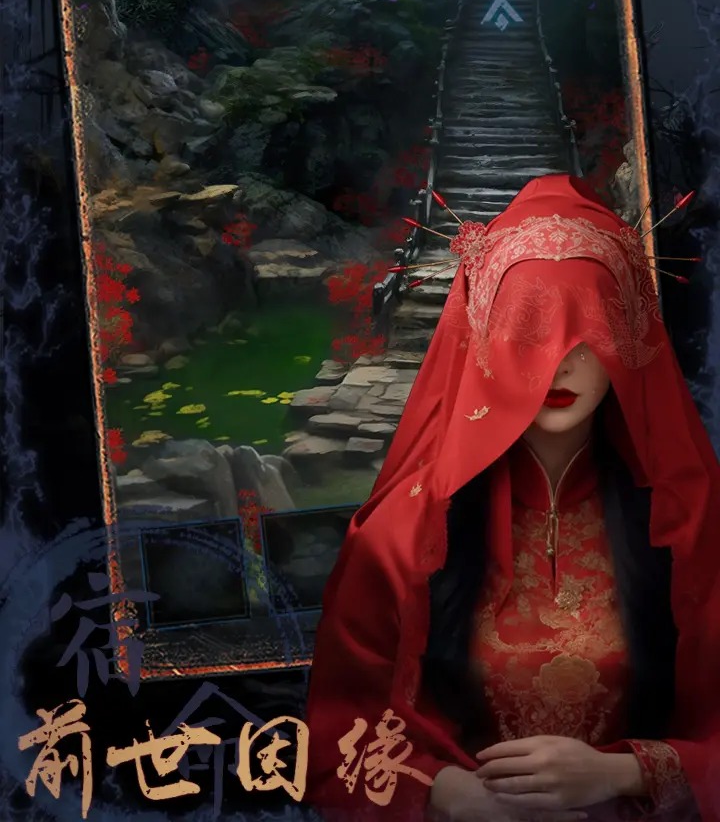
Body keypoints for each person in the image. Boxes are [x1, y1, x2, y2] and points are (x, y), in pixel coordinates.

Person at [303, 175, 720, 822]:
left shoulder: (691, 526)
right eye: (529, 329)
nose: (558, 362)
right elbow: (334, 741)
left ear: (628, 338)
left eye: (586, 330)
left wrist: (629, 770)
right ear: (481, 339)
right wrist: (444, 790)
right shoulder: (401, 536)